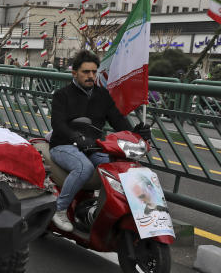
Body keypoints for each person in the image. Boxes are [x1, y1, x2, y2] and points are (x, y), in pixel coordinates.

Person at [48, 50, 150, 232]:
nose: (91, 76)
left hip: (93, 146)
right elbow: (58, 124)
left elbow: (118, 120)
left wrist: (136, 133)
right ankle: (60, 208)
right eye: (86, 72)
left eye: (94, 72)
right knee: (84, 168)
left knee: (119, 167)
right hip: (63, 144)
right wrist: (76, 137)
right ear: (74, 73)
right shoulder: (62, 95)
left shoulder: (102, 95)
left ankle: (110, 211)